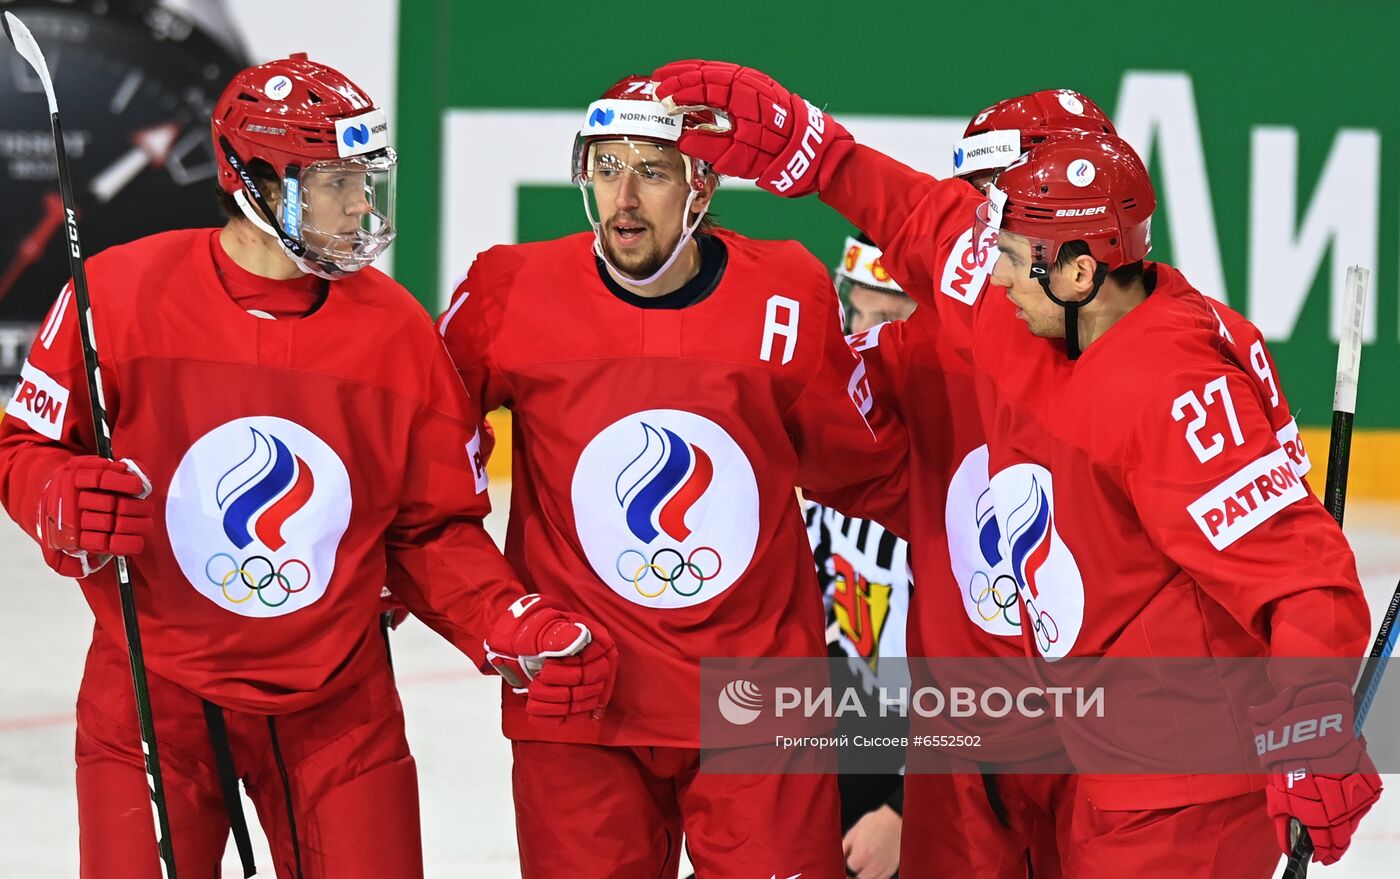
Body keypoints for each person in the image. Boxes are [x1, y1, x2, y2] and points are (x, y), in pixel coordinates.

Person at [653, 60, 1381, 875]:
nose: (985, 268)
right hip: (1067, 739)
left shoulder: (1177, 389)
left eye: (1003, 240)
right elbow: (930, 226)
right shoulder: (1033, 308)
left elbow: (1303, 578)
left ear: (1076, 266)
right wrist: (818, 155)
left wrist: (1312, 723)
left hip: (1176, 779)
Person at [0, 55, 615, 879]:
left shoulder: (398, 332)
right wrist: (61, 497)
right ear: (251, 181)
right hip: (152, 694)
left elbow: (431, 528)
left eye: (364, 178)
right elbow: (24, 449)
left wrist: (508, 620)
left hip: (339, 708)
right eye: (333, 181)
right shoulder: (115, 293)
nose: (361, 204)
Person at [437, 74, 907, 879]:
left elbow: (864, 465)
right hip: (579, 690)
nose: (624, 197)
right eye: (606, 165)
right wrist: (482, 605)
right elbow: (422, 461)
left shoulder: (785, 292)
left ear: (702, 184)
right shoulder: (507, 290)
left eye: (652, 170)